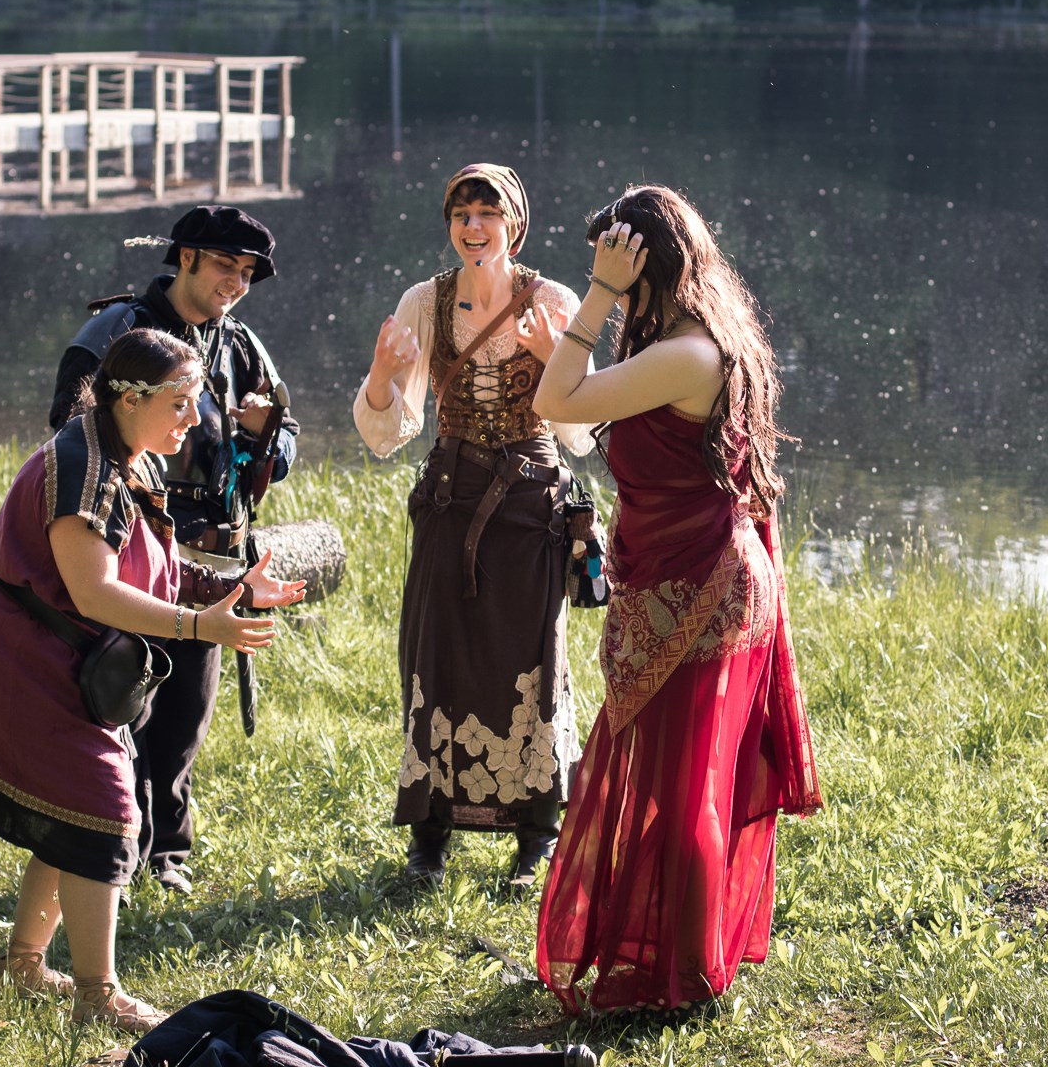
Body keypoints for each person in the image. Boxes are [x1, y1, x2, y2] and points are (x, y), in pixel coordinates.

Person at [0, 328, 306, 1033]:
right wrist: (198, 629)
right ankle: (97, 996)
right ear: (129, 398)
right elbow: (96, 592)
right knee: (106, 810)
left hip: (60, 650)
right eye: (182, 402)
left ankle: (24, 964)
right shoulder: (84, 469)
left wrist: (232, 587)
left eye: (196, 402)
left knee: (73, 809)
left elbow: (150, 559)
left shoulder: (131, 455)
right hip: (16, 654)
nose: (195, 419)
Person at [527, 185, 823, 1013]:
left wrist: (595, 296)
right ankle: (670, 957)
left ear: (642, 264)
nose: (610, 280)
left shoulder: (689, 353)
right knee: (675, 781)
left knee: (687, 785)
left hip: (705, 593)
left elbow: (556, 404)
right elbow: (582, 419)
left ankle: (682, 977)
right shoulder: (685, 339)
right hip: (683, 578)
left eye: (617, 263)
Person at [354, 162, 594, 890]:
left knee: (532, 661)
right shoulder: (424, 301)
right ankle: (429, 838)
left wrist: (558, 362)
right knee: (437, 655)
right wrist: (379, 376)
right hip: (452, 496)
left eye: (488, 212)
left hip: (529, 505)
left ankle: (536, 835)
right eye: (461, 213)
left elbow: (585, 432)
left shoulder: (554, 300)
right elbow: (388, 432)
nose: (473, 226)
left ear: (515, 225)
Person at [50, 205, 298, 896]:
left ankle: (168, 853)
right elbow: (70, 430)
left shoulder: (243, 346)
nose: (236, 283)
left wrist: (258, 434)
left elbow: (285, 451)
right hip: (126, 550)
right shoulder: (117, 331)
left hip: (212, 557)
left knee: (185, 717)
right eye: (226, 265)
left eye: (247, 273)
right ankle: (115, 849)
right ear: (184, 257)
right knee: (121, 701)